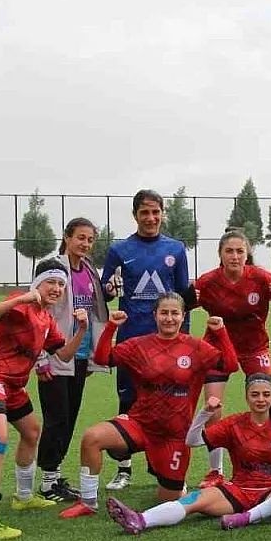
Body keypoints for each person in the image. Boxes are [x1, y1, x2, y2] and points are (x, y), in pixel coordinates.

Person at [57, 292, 239, 518]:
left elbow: (231, 365)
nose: (169, 318)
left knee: (170, 503)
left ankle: (175, 485)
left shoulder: (196, 348)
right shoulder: (139, 346)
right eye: (164, 313)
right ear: (155, 315)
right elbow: (104, 359)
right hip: (140, 425)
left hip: (174, 437)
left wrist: (220, 332)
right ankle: (88, 502)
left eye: (175, 313)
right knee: (92, 437)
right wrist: (112, 326)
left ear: (183, 316)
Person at [105, 373, 271, 533]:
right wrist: (204, 413)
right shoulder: (234, 423)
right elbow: (192, 440)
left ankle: (247, 518)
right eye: (255, 395)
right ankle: (141, 520)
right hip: (239, 491)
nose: (261, 399)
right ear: (247, 397)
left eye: (266, 394)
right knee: (194, 499)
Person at [0, 259, 88, 540]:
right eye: (51, 282)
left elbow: (64, 355)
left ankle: (22, 496)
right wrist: (21, 297)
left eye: (61, 284)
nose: (56, 288)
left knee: (32, 432)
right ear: (37, 284)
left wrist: (81, 329)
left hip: (13, 384)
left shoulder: (46, 319)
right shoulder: (20, 304)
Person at [100, 189, 194, 491]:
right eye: (145, 212)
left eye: (156, 212)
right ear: (135, 215)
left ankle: (159, 464)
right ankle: (124, 468)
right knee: (128, 399)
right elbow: (105, 290)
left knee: (165, 403)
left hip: (166, 341)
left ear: (162, 213)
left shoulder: (176, 249)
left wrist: (184, 338)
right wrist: (110, 290)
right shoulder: (119, 250)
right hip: (131, 339)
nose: (151, 218)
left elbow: (183, 298)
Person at [192, 229, 271, 487]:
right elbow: (176, 306)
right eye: (229, 251)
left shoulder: (261, 278)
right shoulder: (207, 282)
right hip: (216, 348)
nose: (234, 256)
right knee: (213, 405)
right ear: (220, 255)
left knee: (269, 401)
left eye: (239, 251)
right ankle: (216, 471)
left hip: (255, 348)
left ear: (247, 254)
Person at [36, 217, 110, 502]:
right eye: (80, 237)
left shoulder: (89, 270)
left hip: (79, 354)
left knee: (69, 419)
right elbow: (40, 310)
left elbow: (94, 307)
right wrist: (40, 357)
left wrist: (92, 357)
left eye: (90, 240)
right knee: (57, 418)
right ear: (66, 237)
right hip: (54, 354)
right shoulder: (52, 268)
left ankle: (53, 478)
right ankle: (47, 480)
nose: (86, 244)